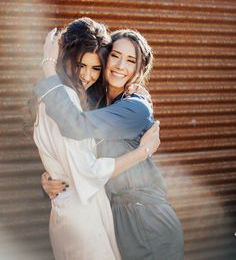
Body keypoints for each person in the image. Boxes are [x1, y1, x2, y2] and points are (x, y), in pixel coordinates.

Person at [34, 27, 184, 260]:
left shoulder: (135, 108)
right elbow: (79, 158)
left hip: (147, 218)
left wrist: (47, 67)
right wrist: (53, 179)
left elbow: (75, 126)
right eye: (115, 55)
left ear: (139, 69)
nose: (120, 65)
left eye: (131, 60)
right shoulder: (95, 103)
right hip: (116, 218)